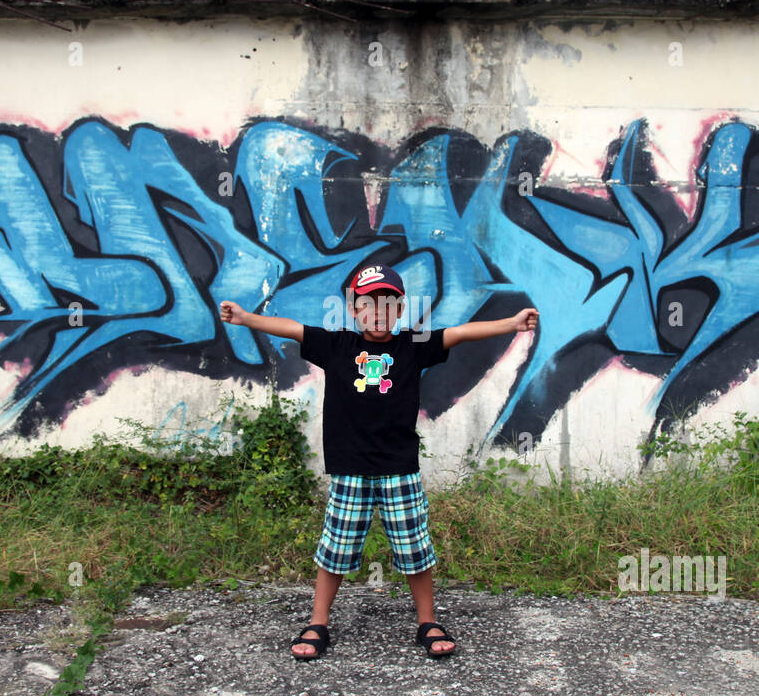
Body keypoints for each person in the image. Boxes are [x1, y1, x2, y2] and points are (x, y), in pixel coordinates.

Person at [219, 264, 538, 660]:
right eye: (368, 304)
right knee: (335, 549)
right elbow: (291, 328)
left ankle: (427, 620)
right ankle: (318, 622)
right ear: (354, 309)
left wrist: (511, 323)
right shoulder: (337, 346)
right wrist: (246, 318)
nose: (378, 312)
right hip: (350, 468)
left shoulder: (413, 346)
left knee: (414, 549)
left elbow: (459, 333)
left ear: (401, 309)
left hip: (399, 468)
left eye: (388, 304)